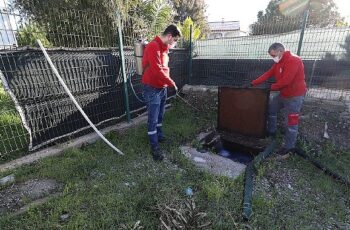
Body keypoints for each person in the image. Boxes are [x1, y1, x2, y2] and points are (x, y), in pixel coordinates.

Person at [249, 42, 307, 158]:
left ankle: (289, 147)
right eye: (271, 56)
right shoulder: (279, 62)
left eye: (273, 55)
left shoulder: (294, 60)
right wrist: (253, 83)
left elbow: (286, 81)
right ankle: (272, 132)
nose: (272, 58)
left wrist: (269, 87)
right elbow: (268, 74)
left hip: (295, 96)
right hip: (283, 94)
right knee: (271, 108)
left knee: (291, 122)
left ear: (280, 51)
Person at [142, 24, 181, 161]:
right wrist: (172, 83)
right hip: (152, 88)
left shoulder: (165, 48)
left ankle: (159, 136)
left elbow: (164, 68)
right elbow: (157, 70)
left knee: (160, 115)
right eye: (175, 40)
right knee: (152, 119)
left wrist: (167, 83)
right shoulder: (153, 46)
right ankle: (154, 147)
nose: (174, 43)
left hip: (161, 87)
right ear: (169, 36)